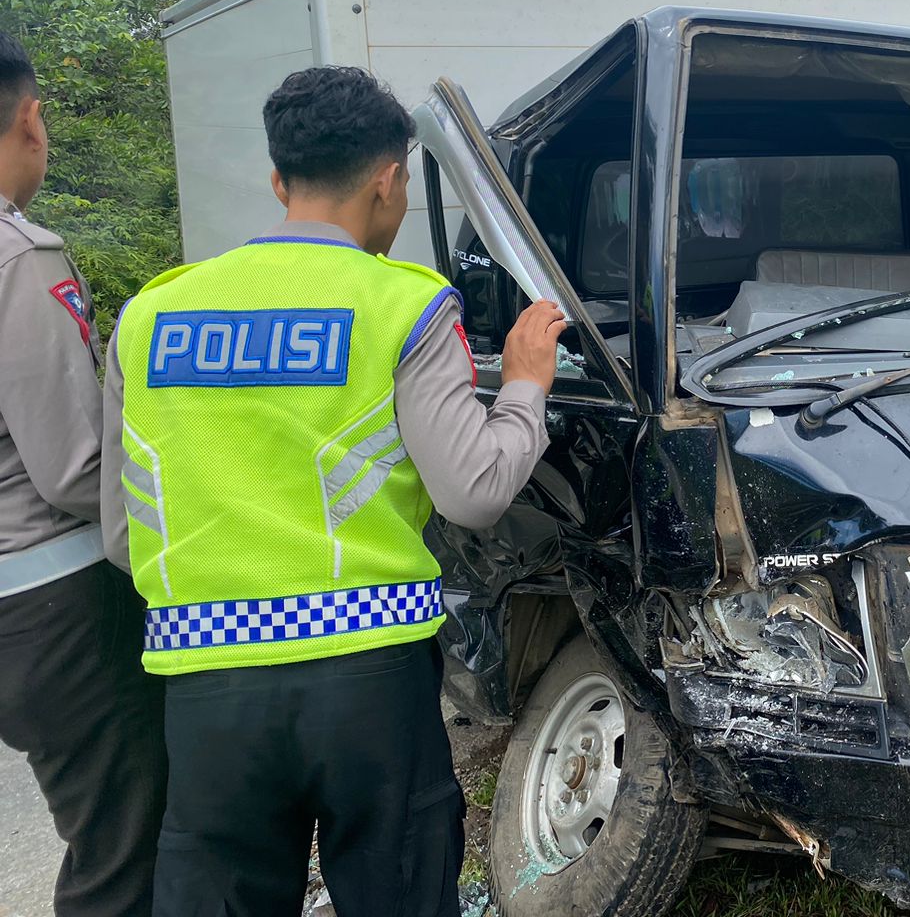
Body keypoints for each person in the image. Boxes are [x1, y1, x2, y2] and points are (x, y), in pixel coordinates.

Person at [101, 65, 568, 916]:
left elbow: (124, 534)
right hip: (368, 683)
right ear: (391, 182)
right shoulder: (405, 306)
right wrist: (527, 385)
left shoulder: (149, 316)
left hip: (207, 687)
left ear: (279, 181)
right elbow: (474, 492)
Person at [0, 29, 167, 915]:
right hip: (56, 603)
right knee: (124, 850)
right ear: (31, 117)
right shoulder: (21, 258)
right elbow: (76, 471)